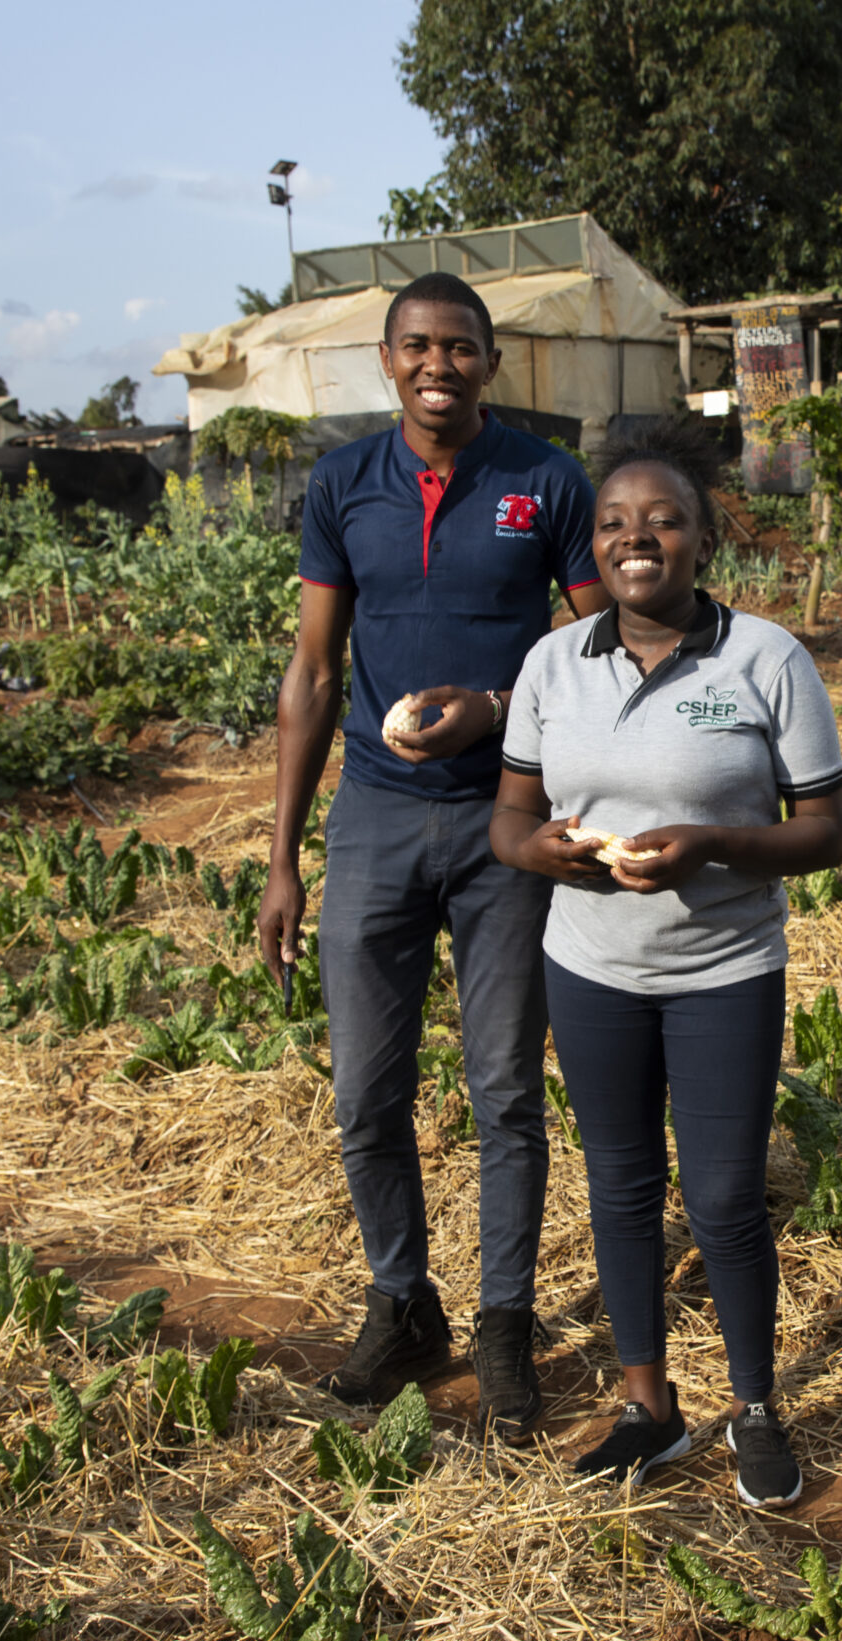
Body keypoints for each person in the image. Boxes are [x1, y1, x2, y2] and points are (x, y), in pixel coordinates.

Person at [258, 271, 608, 1439]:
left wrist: (499, 707)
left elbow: (599, 644)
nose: (437, 367)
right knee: (366, 1090)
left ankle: (505, 1323)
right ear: (387, 357)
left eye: (459, 349)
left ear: (489, 363)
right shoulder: (343, 484)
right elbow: (311, 672)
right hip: (372, 816)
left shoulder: (545, 482)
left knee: (505, 1089)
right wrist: (282, 858)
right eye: (417, 347)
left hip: (503, 819)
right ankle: (404, 1302)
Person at [490, 422, 842, 1508]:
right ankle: (648, 1405)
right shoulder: (554, 661)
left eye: (662, 520)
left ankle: (753, 1407)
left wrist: (715, 846)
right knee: (621, 1182)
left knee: (728, 1195)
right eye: (613, 523)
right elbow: (510, 818)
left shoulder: (766, 659)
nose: (635, 537)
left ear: (701, 540)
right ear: (592, 549)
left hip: (724, 967)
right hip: (590, 964)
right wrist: (539, 851)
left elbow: (825, 832)